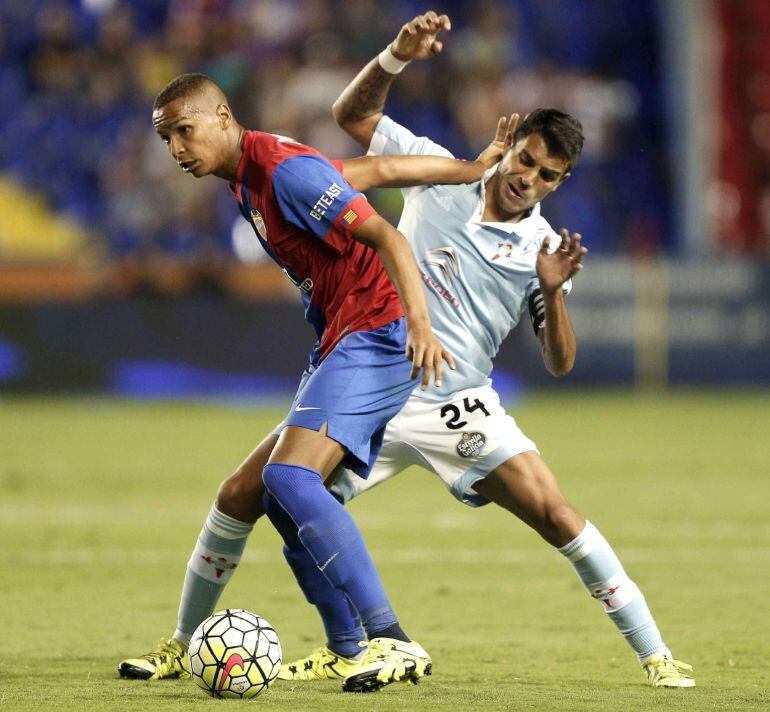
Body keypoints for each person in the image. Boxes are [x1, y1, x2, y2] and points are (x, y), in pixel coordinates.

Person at [277, 11, 694, 689]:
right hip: (377, 385)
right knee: (290, 500)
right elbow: (350, 114)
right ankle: (352, 644)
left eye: (548, 174)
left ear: (560, 183)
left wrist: (553, 295)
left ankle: (656, 656)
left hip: (460, 408)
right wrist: (395, 56)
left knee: (557, 514)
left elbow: (561, 363)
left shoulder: (541, 252)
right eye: (526, 158)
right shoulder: (438, 170)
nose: (529, 177)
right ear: (511, 145)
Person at [120, 70, 496, 693]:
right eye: (166, 140)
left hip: (378, 332)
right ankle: (335, 646)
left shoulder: (282, 171)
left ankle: (392, 639)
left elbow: (385, 235)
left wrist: (422, 329)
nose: (177, 150)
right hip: (342, 339)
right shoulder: (250, 175)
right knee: (252, 492)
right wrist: (470, 169)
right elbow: (370, 173)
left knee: (288, 477)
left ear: (221, 117)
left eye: (184, 132)